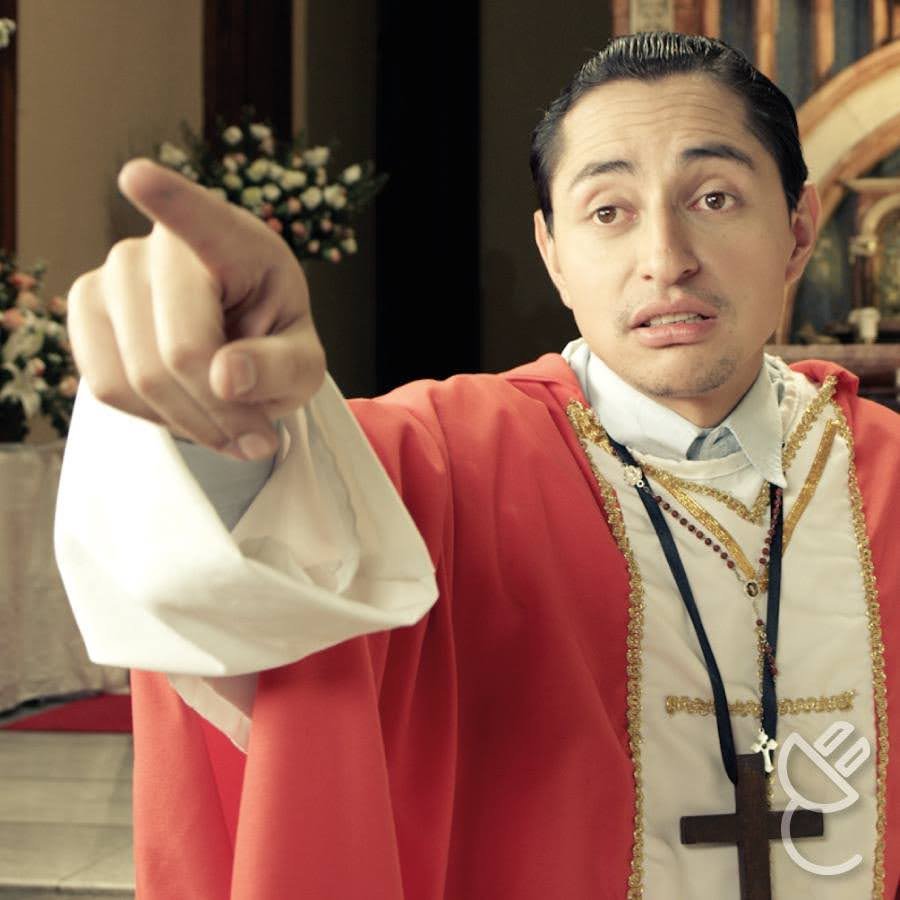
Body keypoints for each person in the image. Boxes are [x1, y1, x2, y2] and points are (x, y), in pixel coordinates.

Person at [54, 31, 899, 900]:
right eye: (608, 211)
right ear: (553, 253)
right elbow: (267, 570)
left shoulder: (889, 479)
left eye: (714, 197)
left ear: (798, 230)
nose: (665, 258)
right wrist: (212, 421)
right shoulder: (436, 466)